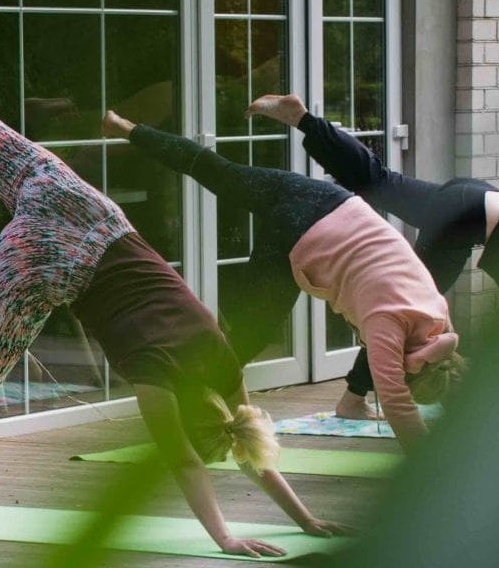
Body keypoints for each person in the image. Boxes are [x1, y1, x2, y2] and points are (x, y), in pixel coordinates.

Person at [0, 0, 349, 553]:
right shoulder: (157, 383)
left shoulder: (222, 365)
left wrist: (307, 521)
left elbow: (247, 442)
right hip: (52, 263)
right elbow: (189, 464)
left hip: (83, 207)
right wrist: (226, 538)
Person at [99, 106, 465, 448]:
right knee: (253, 332)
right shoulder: (389, 324)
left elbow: (428, 372)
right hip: (301, 230)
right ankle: (192, 411)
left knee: (215, 169)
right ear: (413, 372)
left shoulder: (437, 312)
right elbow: (396, 404)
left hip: (327, 198)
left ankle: (125, 127)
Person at [248, 92, 499, 420]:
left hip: (474, 200)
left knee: (378, 182)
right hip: (463, 218)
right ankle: (353, 399)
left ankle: (303, 119)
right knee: (397, 305)